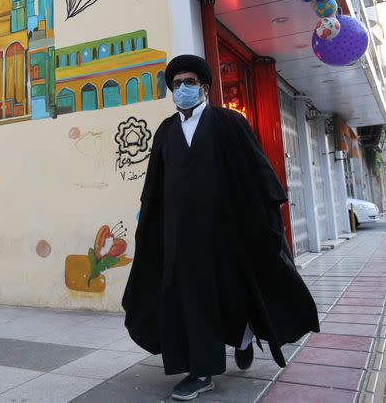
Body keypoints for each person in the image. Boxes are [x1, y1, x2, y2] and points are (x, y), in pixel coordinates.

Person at [122, 54, 319, 401]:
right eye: (177, 84)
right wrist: (150, 227)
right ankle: (201, 371)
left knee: (231, 291)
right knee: (190, 299)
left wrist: (265, 217)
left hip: (224, 234)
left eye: (189, 82)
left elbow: (256, 172)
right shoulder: (166, 131)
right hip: (180, 238)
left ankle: (242, 336)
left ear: (205, 87)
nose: (182, 88)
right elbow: (154, 186)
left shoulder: (228, 123)